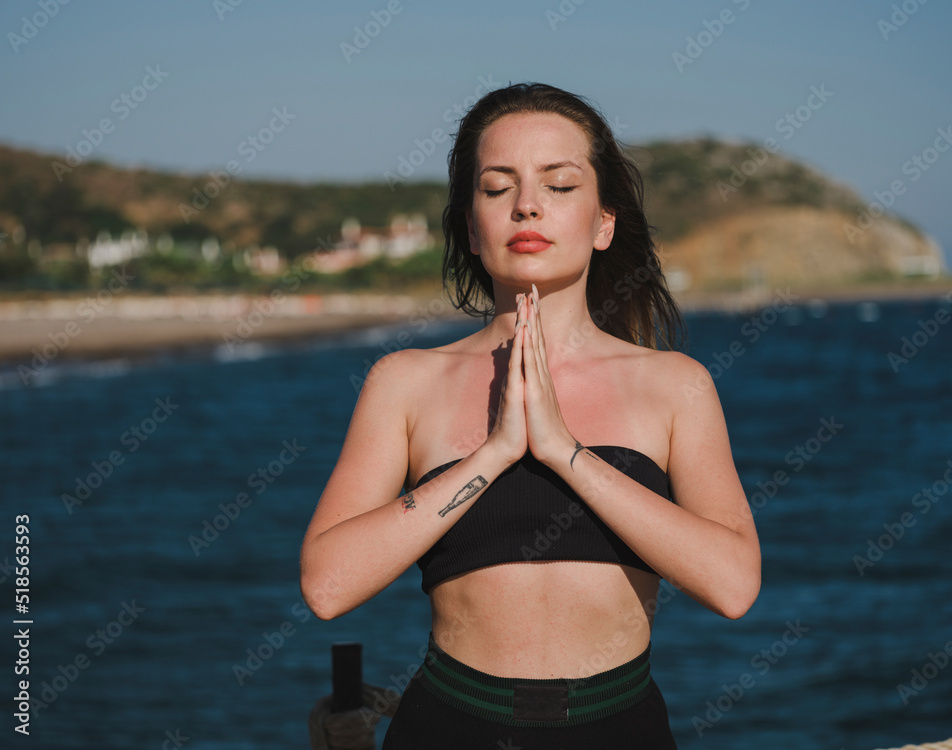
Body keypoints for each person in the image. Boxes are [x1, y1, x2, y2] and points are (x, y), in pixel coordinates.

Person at [300, 82, 760, 749]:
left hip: (621, 730)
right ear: (471, 228)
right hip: (448, 727)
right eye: (496, 187)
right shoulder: (404, 382)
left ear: (604, 223)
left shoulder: (674, 386)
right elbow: (327, 585)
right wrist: (493, 454)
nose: (526, 206)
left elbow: (733, 584)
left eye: (560, 185)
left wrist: (565, 453)